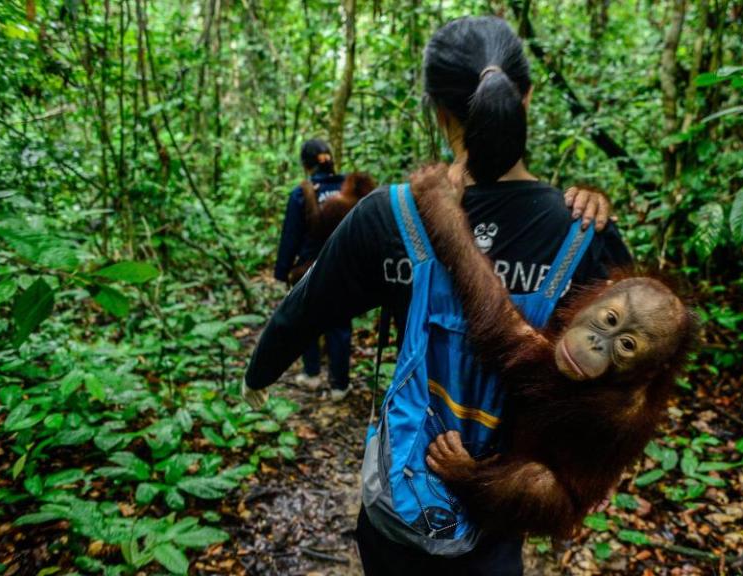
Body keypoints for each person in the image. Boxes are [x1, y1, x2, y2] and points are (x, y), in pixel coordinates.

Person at [244, 16, 631, 575]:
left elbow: (307, 308)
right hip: (499, 511)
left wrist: (259, 372)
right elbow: (628, 379)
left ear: (437, 109)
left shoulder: (392, 214)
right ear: (526, 98)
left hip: (405, 493)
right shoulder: (581, 231)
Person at [273, 139, 353, 401]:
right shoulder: (348, 188)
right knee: (339, 325)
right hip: (343, 268)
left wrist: (281, 271)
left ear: (307, 165)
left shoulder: (303, 192)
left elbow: (291, 236)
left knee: (308, 321)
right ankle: (340, 385)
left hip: (310, 268)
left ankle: (312, 374)